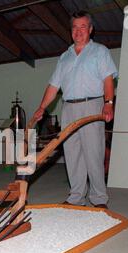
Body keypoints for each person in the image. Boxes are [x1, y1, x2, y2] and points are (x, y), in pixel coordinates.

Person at [32, 11, 118, 209]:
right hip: (68, 108)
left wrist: (109, 103)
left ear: (90, 29)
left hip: (92, 105)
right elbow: (54, 86)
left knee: (93, 152)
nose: (78, 31)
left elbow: (108, 79)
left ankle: (99, 198)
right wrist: (42, 107)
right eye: (75, 28)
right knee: (72, 153)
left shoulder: (100, 51)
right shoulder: (65, 57)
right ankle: (76, 197)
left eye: (83, 27)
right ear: (71, 31)